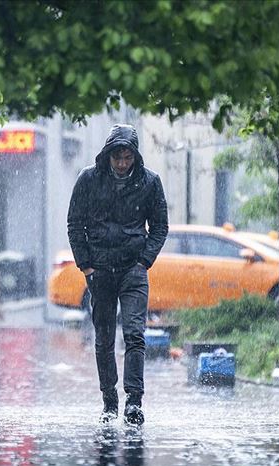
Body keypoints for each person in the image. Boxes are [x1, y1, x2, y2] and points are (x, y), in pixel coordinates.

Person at [67, 124, 168, 425]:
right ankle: (109, 401)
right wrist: (86, 266)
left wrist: (144, 262)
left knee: (135, 334)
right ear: (108, 155)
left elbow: (160, 227)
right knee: (104, 337)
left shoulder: (150, 183)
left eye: (128, 158)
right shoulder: (88, 180)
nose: (122, 164)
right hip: (99, 271)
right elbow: (75, 224)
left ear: (135, 157)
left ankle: (134, 402)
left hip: (133, 269)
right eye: (117, 157)